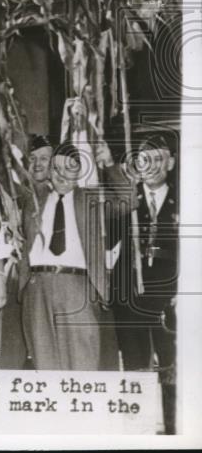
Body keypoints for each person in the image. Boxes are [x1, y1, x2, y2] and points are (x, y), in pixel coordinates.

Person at [7, 140, 111, 371]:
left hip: (77, 286)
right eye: (56, 168)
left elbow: (129, 202)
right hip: (37, 287)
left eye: (69, 167)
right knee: (45, 364)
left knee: (82, 362)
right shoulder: (35, 198)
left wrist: (110, 163)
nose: (62, 174)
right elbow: (6, 178)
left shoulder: (90, 199)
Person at [109, 130, 178, 433]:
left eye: (158, 159)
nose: (151, 166)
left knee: (170, 371)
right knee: (136, 370)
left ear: (171, 163)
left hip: (169, 302)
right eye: (144, 160)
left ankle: (174, 432)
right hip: (131, 300)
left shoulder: (185, 202)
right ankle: (139, 434)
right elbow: (107, 240)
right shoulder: (128, 203)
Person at [0, 134, 55, 371]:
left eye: (44, 159)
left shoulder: (62, 197)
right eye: (33, 159)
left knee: (45, 355)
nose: (37, 164)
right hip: (18, 280)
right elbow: (4, 237)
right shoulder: (20, 197)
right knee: (11, 356)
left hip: (47, 285)